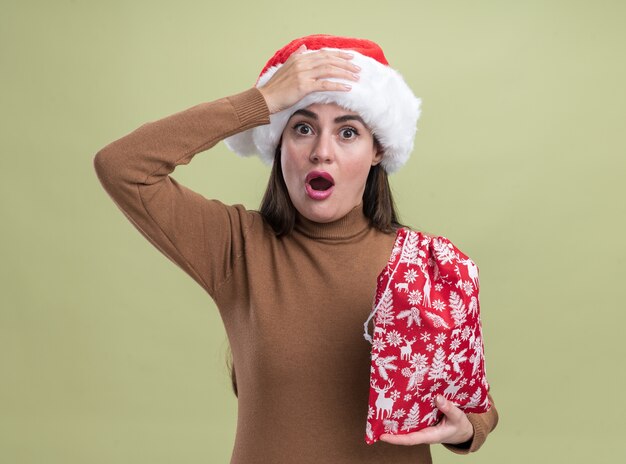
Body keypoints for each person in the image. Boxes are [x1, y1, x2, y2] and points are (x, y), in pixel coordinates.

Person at [93, 34, 498, 463]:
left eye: (347, 132)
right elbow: (121, 166)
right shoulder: (237, 248)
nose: (321, 152)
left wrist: (471, 427)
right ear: (278, 144)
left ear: (377, 150)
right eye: (302, 128)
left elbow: (473, 400)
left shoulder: (425, 263)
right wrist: (260, 102)